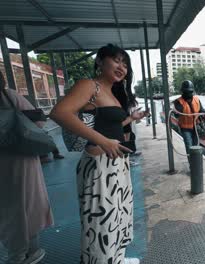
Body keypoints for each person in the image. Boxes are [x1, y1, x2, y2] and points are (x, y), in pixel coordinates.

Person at [50, 44, 148, 264]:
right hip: (99, 167)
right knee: (101, 223)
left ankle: (117, 258)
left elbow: (107, 124)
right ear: (99, 61)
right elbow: (59, 113)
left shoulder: (111, 92)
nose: (121, 66)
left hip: (117, 165)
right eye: (116, 60)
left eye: (125, 63)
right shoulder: (89, 85)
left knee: (119, 216)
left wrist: (131, 119)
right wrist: (102, 141)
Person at [0, 72, 54, 263]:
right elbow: (38, 122)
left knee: (6, 210)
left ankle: (15, 253)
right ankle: (28, 252)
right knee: (29, 203)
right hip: (22, 159)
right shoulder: (9, 96)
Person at [174, 80, 205, 155]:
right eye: (186, 92)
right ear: (183, 92)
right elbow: (177, 115)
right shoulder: (178, 101)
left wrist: (204, 115)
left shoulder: (197, 100)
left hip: (196, 128)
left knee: (196, 147)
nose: (189, 94)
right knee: (189, 147)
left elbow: (202, 110)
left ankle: (196, 164)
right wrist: (177, 111)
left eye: (190, 92)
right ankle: (192, 165)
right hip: (185, 129)